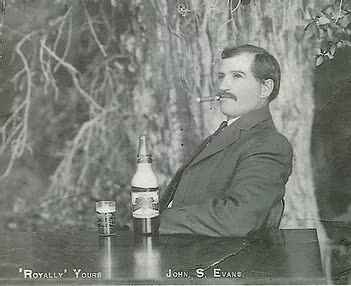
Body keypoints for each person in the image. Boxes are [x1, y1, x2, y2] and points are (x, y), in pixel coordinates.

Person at [158, 44, 293, 237]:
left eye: (237, 76)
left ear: (265, 88)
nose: (222, 87)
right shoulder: (224, 134)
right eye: (221, 76)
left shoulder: (270, 144)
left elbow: (237, 219)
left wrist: (159, 220)